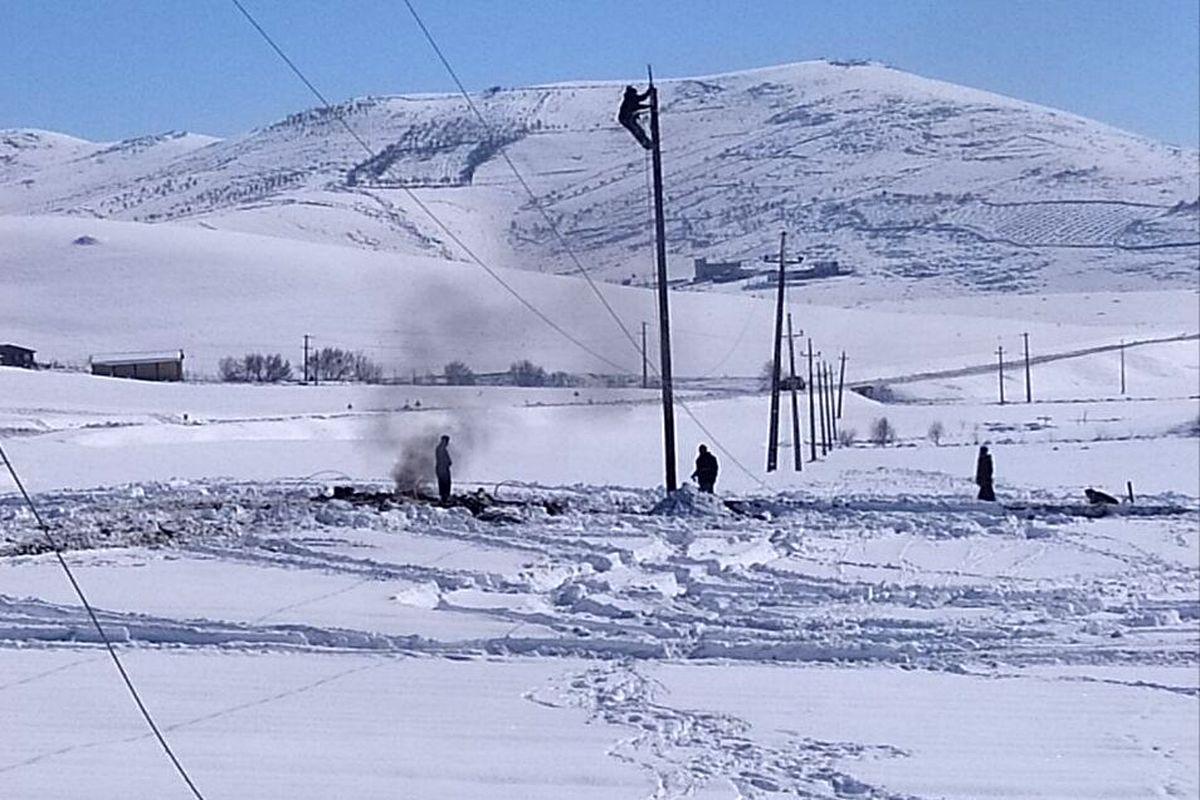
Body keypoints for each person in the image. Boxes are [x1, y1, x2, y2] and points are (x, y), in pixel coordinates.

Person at [617, 85, 653, 150]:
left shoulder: (632, 97)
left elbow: (642, 98)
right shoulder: (629, 99)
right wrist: (649, 106)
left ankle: (647, 143)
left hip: (628, 117)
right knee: (636, 130)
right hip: (625, 118)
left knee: (639, 130)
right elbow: (636, 106)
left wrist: (649, 91)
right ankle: (646, 144)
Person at [434, 435, 452, 504]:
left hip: (443, 468)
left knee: (445, 483)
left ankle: (445, 497)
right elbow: (443, 460)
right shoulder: (441, 449)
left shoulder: (442, 449)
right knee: (444, 483)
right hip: (442, 469)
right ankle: (444, 497)